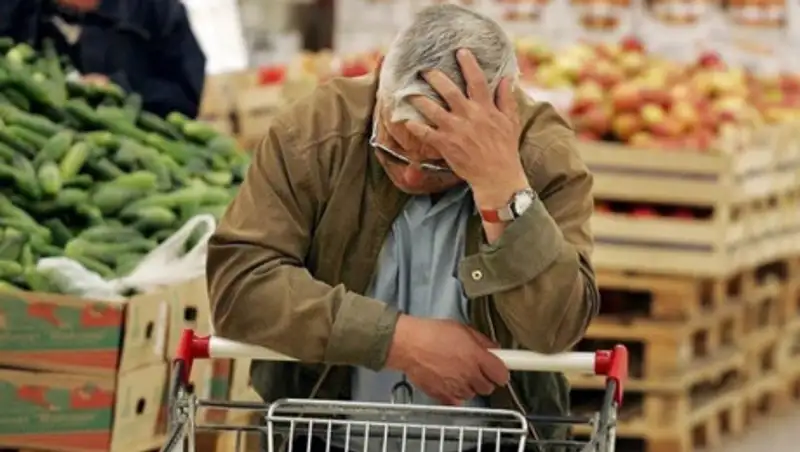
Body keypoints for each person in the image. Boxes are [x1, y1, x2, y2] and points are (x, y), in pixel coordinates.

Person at [207, 4, 599, 451]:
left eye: (440, 162)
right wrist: (398, 340)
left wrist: (502, 187)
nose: (411, 175)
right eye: (392, 146)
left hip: (499, 440)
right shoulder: (315, 131)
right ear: (380, 85)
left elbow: (556, 328)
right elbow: (241, 285)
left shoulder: (542, 155)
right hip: (324, 435)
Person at [0, 0, 206, 118]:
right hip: (29, 142)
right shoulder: (13, 8)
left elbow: (188, 98)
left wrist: (121, 88)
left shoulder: (157, 11)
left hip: (135, 150)